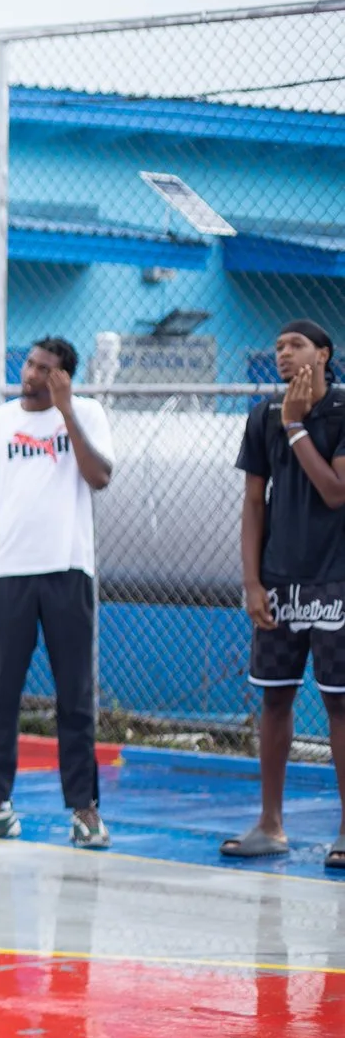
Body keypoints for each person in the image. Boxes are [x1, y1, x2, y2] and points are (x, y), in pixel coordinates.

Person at [0, 336, 116, 850]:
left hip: (69, 571)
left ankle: (85, 811)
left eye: (46, 369)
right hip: (7, 574)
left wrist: (67, 409)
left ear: (64, 376)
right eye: (30, 363)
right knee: (2, 695)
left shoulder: (86, 413)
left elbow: (100, 477)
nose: (32, 373)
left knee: (75, 696)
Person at [227, 319, 345, 868]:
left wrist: (298, 430)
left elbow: (335, 490)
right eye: (275, 346)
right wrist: (252, 581)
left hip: (335, 578)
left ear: (324, 354)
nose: (282, 353)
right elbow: (254, 503)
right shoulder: (263, 417)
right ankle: (270, 824)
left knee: (340, 703)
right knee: (275, 697)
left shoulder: (341, 411)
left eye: (295, 344)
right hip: (280, 580)